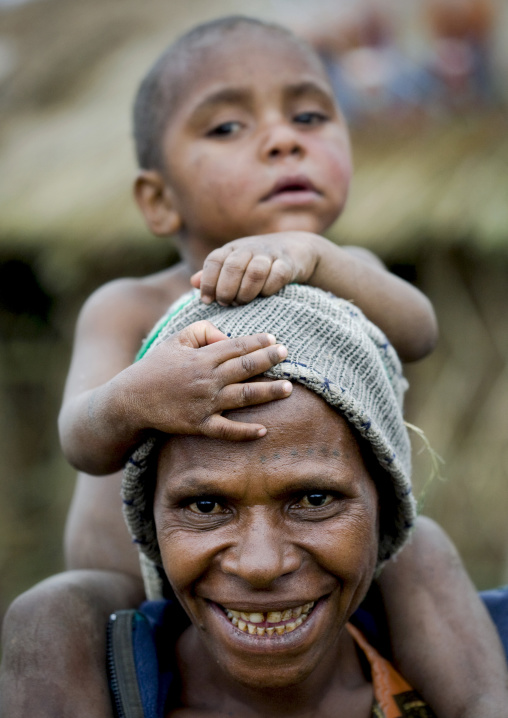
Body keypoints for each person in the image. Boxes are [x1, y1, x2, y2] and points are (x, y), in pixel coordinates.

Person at [0, 16, 505, 718]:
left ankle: (481, 703)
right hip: (134, 584)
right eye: (227, 129)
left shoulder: (347, 272)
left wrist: (318, 259)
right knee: (48, 610)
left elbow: (418, 331)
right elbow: (81, 437)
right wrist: (142, 398)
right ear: (157, 199)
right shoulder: (130, 305)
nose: (283, 138)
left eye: (310, 115)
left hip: (324, 567)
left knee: (421, 544)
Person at [109, 285, 508, 717]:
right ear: (150, 520)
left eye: (314, 499)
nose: (261, 565)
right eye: (206, 507)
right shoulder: (82, 689)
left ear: (385, 507)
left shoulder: (484, 674)